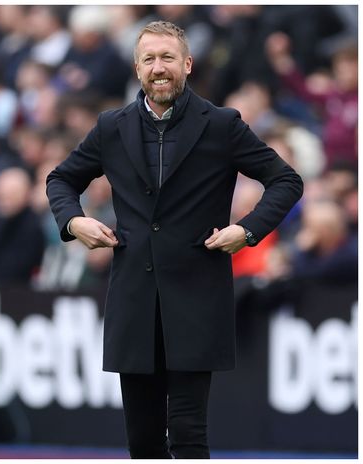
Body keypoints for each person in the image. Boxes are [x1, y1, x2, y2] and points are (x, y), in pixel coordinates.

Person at [46, 21, 302, 458]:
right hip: (133, 300)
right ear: (136, 68)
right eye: (149, 59)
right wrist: (74, 223)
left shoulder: (222, 124)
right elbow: (61, 180)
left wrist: (248, 229)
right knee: (143, 443)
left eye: (167, 58)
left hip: (198, 297)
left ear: (187, 64)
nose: (158, 68)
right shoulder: (111, 126)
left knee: (188, 435)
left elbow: (285, 180)